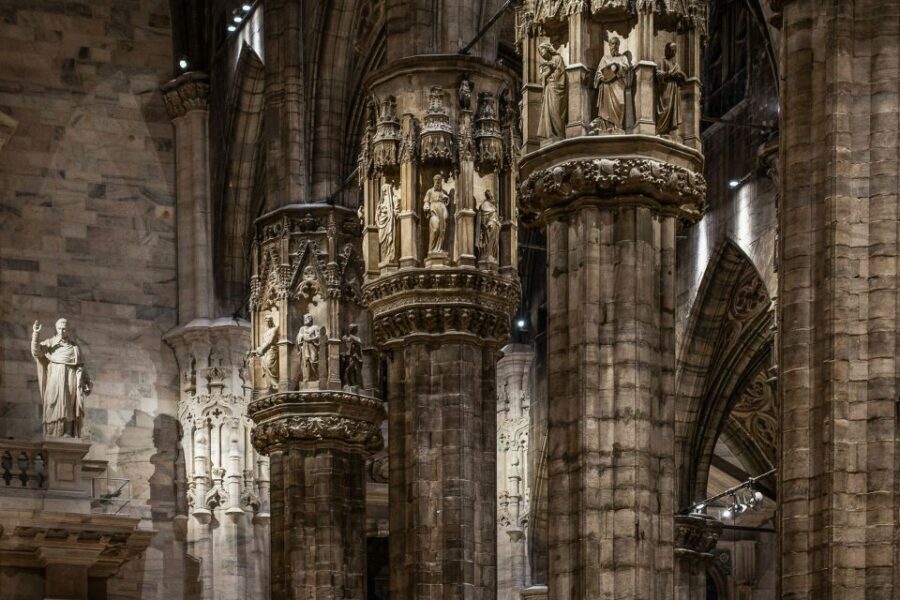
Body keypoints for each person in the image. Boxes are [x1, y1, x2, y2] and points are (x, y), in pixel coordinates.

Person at [31, 318, 91, 437]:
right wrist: (36, 334)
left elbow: (81, 365)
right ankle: (52, 432)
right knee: (53, 402)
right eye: (59, 328)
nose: (62, 331)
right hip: (54, 376)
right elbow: (36, 351)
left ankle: (67, 432)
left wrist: (86, 381)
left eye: (64, 328)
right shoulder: (50, 343)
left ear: (68, 329)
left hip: (71, 377)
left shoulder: (75, 347)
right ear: (56, 329)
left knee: (69, 403)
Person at [594, 36, 631, 132]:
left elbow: (626, 67)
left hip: (618, 84)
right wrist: (602, 77)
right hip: (607, 86)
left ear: (618, 45)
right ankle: (607, 127)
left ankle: (618, 126)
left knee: (620, 103)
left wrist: (617, 66)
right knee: (607, 108)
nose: (614, 46)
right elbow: (599, 72)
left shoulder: (623, 58)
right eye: (612, 44)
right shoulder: (604, 58)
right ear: (609, 45)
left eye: (616, 44)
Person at [536, 42, 567, 140]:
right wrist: (547, 72)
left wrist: (551, 72)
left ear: (548, 49)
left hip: (556, 88)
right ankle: (551, 133)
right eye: (540, 52)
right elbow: (541, 78)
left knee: (556, 110)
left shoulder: (557, 58)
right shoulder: (544, 64)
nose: (541, 53)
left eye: (542, 50)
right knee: (549, 111)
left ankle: (560, 134)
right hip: (549, 88)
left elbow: (560, 72)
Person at [656, 42, 686, 135]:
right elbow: (658, 74)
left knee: (672, 108)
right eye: (671, 50)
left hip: (674, 89)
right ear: (666, 50)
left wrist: (680, 76)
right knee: (665, 108)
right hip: (665, 88)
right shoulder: (662, 61)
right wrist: (670, 74)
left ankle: (667, 130)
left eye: (674, 51)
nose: (673, 52)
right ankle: (660, 129)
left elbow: (684, 80)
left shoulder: (676, 65)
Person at [249, 313, 279, 391]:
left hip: (272, 350)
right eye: (266, 322)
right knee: (265, 367)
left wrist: (261, 350)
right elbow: (264, 342)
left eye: (269, 321)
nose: (268, 323)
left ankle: (275, 383)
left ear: (272, 321)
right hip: (265, 352)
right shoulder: (265, 333)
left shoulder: (275, 329)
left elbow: (270, 341)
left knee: (270, 365)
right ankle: (270, 384)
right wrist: (258, 349)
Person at [423, 174, 450, 254]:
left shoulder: (443, 192)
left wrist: (446, 198)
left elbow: (447, 202)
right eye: (436, 180)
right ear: (433, 181)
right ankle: (431, 249)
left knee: (443, 230)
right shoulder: (430, 191)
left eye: (439, 180)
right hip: (434, 210)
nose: (438, 182)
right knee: (435, 229)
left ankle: (440, 248)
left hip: (442, 209)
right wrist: (426, 206)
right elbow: (426, 201)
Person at [296, 313, 322, 383]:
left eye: (307, 318)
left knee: (313, 361)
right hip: (304, 346)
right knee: (305, 362)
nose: (305, 320)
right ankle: (306, 377)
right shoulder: (302, 328)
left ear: (311, 319)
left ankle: (315, 377)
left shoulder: (315, 327)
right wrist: (301, 337)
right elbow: (299, 337)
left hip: (312, 346)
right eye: (304, 319)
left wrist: (310, 338)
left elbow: (318, 336)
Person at [375, 183, 399, 262]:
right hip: (382, 223)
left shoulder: (394, 199)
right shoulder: (381, 202)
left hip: (389, 222)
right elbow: (377, 214)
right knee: (382, 240)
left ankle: (390, 256)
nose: (384, 193)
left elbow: (396, 211)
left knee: (389, 239)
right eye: (383, 191)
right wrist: (379, 212)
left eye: (385, 191)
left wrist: (393, 212)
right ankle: (384, 257)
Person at [476, 190, 501, 262]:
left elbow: (494, 216)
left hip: (494, 226)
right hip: (489, 226)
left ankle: (491, 254)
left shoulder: (492, 206)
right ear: (489, 196)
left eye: (493, 196)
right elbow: (483, 217)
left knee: (494, 242)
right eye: (492, 196)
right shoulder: (485, 204)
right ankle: (486, 254)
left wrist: (498, 222)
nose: (493, 198)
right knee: (487, 240)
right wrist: (486, 224)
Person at [341, 323, 363, 388]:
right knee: (348, 369)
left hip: (356, 356)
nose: (357, 330)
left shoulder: (356, 338)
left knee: (355, 369)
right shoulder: (345, 337)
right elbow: (343, 342)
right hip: (348, 356)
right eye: (355, 329)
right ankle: (347, 383)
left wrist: (351, 337)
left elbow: (359, 342)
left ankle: (355, 383)